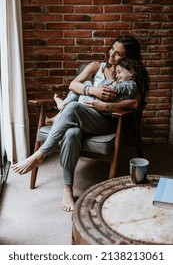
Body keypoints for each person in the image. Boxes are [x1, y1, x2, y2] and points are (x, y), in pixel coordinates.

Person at [11, 35, 150, 212]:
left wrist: (107, 105)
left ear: (128, 58)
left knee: (73, 107)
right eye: (112, 49)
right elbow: (73, 85)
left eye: (118, 54)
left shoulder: (131, 75)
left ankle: (41, 153)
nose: (111, 55)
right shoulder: (96, 67)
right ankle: (68, 188)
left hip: (106, 121)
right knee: (71, 133)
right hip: (85, 114)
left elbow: (135, 104)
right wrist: (93, 90)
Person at [46, 58, 143, 125]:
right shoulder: (100, 68)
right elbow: (73, 85)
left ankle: (64, 105)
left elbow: (116, 89)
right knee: (83, 85)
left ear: (132, 72)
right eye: (116, 72)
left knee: (85, 84)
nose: (117, 75)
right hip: (91, 101)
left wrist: (109, 85)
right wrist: (98, 88)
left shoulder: (131, 84)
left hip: (93, 106)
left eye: (119, 72)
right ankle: (62, 108)